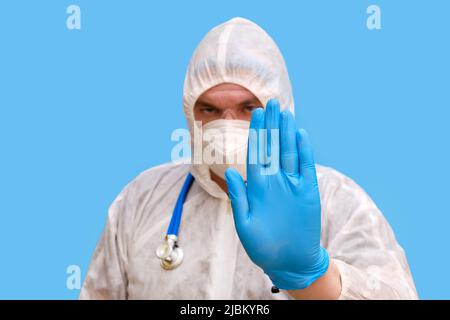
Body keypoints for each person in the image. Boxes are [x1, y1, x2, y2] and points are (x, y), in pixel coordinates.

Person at [79, 17, 418, 300]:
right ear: (189, 114)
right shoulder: (140, 201)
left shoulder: (337, 202)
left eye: (249, 108)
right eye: (209, 109)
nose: (227, 125)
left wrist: (314, 278)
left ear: (280, 107)